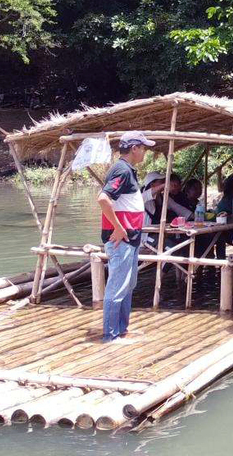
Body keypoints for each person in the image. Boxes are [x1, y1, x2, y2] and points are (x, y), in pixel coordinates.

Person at [96, 131, 154, 342]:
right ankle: (110, 336)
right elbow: (103, 199)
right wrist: (119, 228)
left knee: (127, 286)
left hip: (130, 239)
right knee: (117, 287)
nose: (145, 152)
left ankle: (121, 329)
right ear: (134, 148)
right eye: (144, 148)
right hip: (122, 239)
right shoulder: (121, 170)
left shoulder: (127, 170)